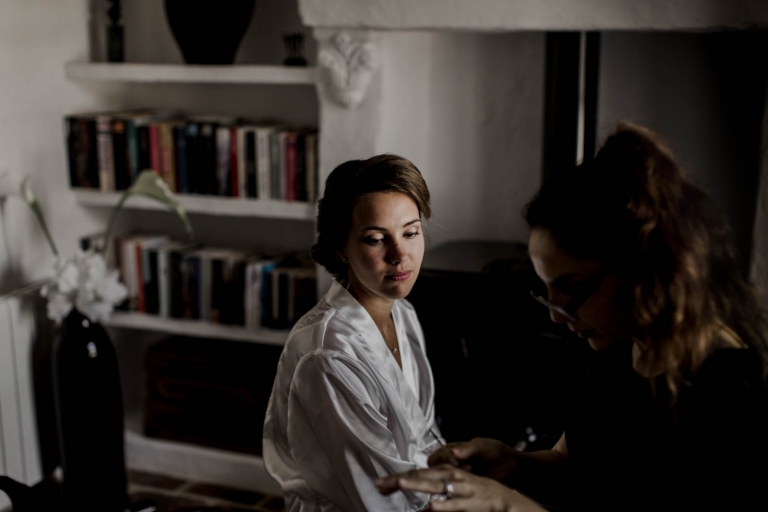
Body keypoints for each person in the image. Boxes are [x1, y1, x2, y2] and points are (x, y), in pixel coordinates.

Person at [376, 123, 768, 511]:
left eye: (571, 287)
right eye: (546, 290)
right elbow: (571, 464)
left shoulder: (732, 388)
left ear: (638, 269)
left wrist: (507, 506)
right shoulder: (619, 347)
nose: (559, 317)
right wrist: (513, 464)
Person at [263, 154, 446, 511]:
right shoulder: (328, 357)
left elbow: (422, 439)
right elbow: (379, 493)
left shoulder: (403, 315)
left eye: (411, 232)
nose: (400, 255)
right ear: (340, 248)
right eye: (376, 239)